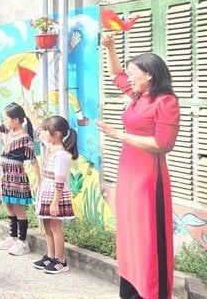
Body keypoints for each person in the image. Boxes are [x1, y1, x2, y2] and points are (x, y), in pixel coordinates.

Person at [96, 33, 179, 299]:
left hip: (147, 178)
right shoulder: (137, 96)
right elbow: (116, 73)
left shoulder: (165, 101)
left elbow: (163, 143)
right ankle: (131, 289)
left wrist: (118, 134)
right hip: (128, 173)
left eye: (135, 73)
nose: (129, 78)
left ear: (150, 76)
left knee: (147, 235)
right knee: (129, 232)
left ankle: (151, 291)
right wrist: (110, 47)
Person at [33, 115, 77, 274]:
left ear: (57, 134)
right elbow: (38, 129)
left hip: (55, 193)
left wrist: (55, 202)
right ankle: (50, 256)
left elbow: (60, 180)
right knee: (46, 224)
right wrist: (28, 110)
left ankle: (60, 260)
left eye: (47, 130)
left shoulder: (61, 154)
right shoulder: (50, 146)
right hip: (46, 189)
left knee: (54, 225)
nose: (43, 133)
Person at [0, 102, 38, 256]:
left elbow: (33, 160)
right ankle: (12, 237)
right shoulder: (9, 131)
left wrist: (38, 179)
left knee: (18, 208)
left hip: (17, 175)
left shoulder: (25, 138)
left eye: (6, 118)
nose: (4, 121)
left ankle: (22, 242)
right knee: (9, 205)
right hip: (6, 174)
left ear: (16, 120)